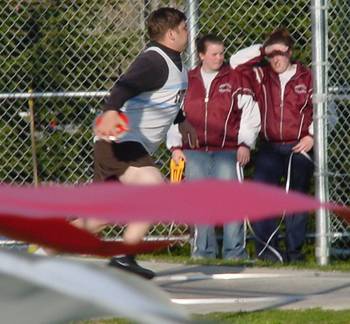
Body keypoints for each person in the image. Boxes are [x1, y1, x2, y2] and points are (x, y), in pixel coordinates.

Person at [92, 7, 198, 278]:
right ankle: (125, 257)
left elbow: (164, 99)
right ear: (172, 33)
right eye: (185, 28)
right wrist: (112, 110)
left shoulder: (176, 65)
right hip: (120, 139)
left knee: (100, 218)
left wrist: (182, 120)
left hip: (123, 142)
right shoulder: (154, 60)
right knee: (154, 187)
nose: (188, 31)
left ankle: (42, 250)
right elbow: (123, 86)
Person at [168, 34, 260, 260]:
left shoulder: (236, 79)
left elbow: (249, 115)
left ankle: (234, 252)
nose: (220, 58)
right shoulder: (186, 81)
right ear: (201, 55)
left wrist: (245, 144)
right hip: (195, 152)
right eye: (214, 54)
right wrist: (176, 147)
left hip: (228, 150)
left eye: (222, 53)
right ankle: (203, 252)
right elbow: (172, 115)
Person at [230, 28, 314, 263]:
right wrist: (263, 48)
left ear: (291, 52)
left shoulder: (307, 77)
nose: (276, 59)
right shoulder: (262, 76)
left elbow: (327, 111)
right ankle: (268, 252)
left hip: (300, 147)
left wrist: (312, 136)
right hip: (270, 148)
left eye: (281, 53)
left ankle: (295, 253)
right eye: (271, 54)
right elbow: (235, 63)